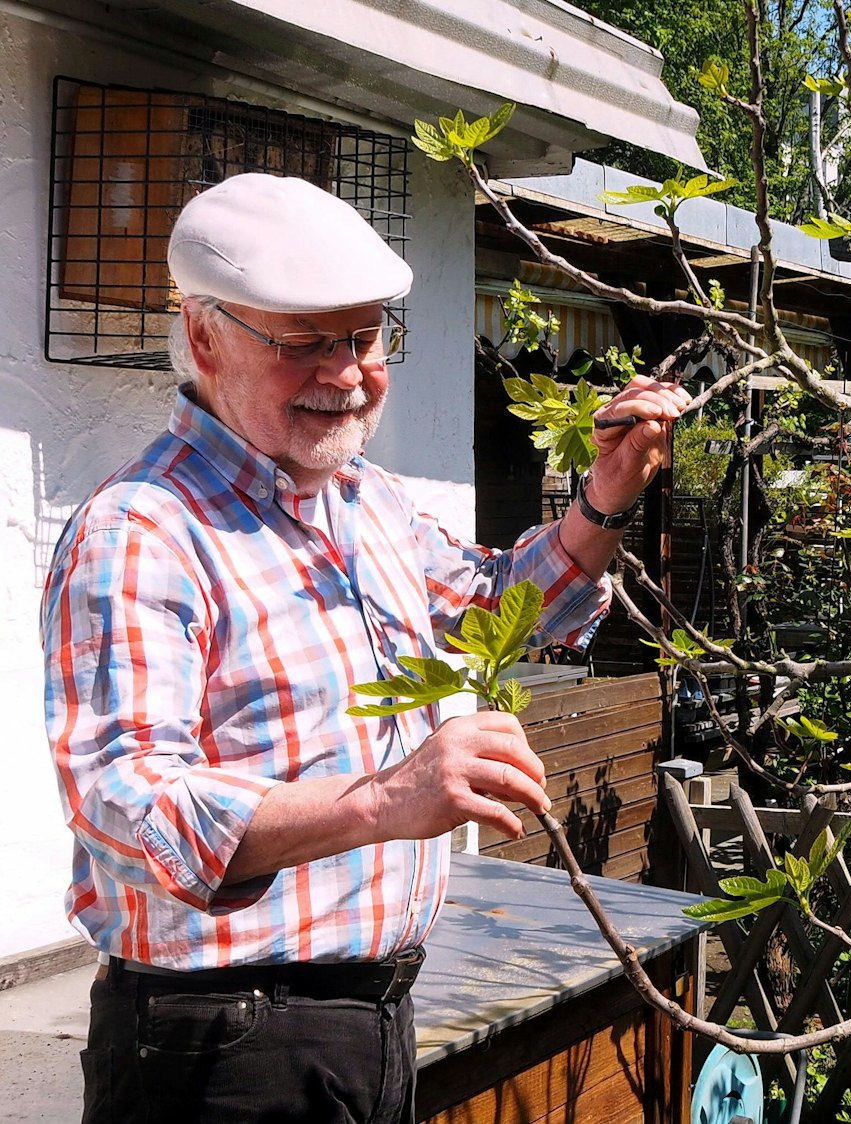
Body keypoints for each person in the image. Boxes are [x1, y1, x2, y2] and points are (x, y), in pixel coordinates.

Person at [41, 172, 693, 1123]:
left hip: (369, 1018)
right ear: (203, 336)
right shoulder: (143, 531)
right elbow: (127, 806)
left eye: (363, 338)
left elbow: (501, 605)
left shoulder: (363, 501)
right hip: (219, 1047)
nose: (345, 373)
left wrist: (602, 496)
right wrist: (388, 799)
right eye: (305, 343)